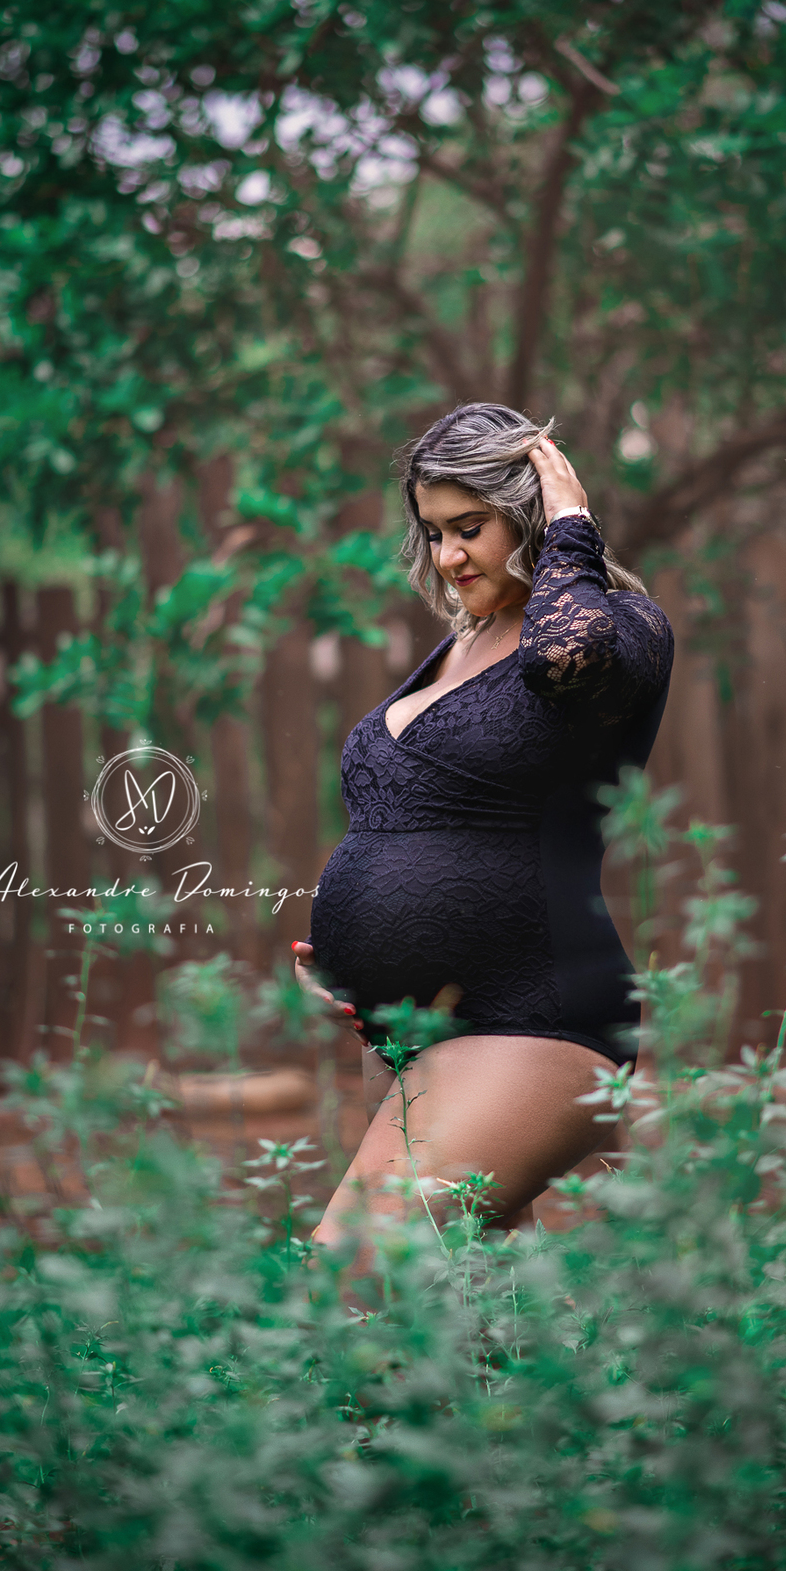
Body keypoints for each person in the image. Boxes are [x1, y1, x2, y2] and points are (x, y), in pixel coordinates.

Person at [292, 402, 674, 1255]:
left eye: (470, 528)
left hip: (530, 1011)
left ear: (531, 513)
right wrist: (355, 952)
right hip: (407, 1035)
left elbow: (562, 657)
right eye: (433, 533)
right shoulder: (460, 647)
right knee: (466, 1312)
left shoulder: (623, 631)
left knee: (357, 1273)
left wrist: (570, 525)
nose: (447, 556)